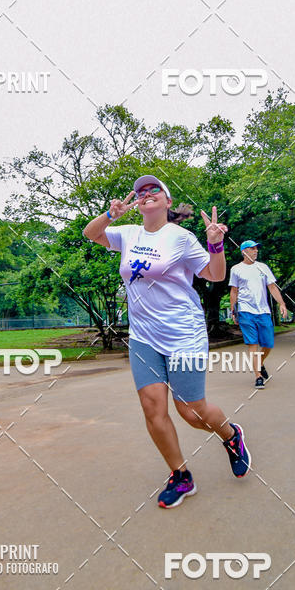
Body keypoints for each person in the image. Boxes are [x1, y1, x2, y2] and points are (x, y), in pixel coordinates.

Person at [83, 175, 251, 509]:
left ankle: (231, 436)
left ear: (167, 201)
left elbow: (214, 275)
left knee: (190, 411)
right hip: (144, 337)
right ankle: (180, 475)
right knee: (152, 407)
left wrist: (215, 244)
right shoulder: (128, 234)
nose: (146, 194)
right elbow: (91, 234)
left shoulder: (181, 237)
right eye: (141, 191)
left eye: (154, 190)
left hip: (183, 333)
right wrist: (111, 214)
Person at [229, 241, 287, 389]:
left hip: (263, 311)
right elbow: (234, 291)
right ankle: (258, 376)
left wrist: (282, 303)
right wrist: (233, 311)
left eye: (256, 249)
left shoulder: (263, 267)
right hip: (245, 311)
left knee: (268, 344)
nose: (256, 251)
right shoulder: (236, 269)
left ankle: (260, 363)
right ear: (244, 251)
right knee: (252, 344)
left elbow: (272, 287)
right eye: (252, 249)